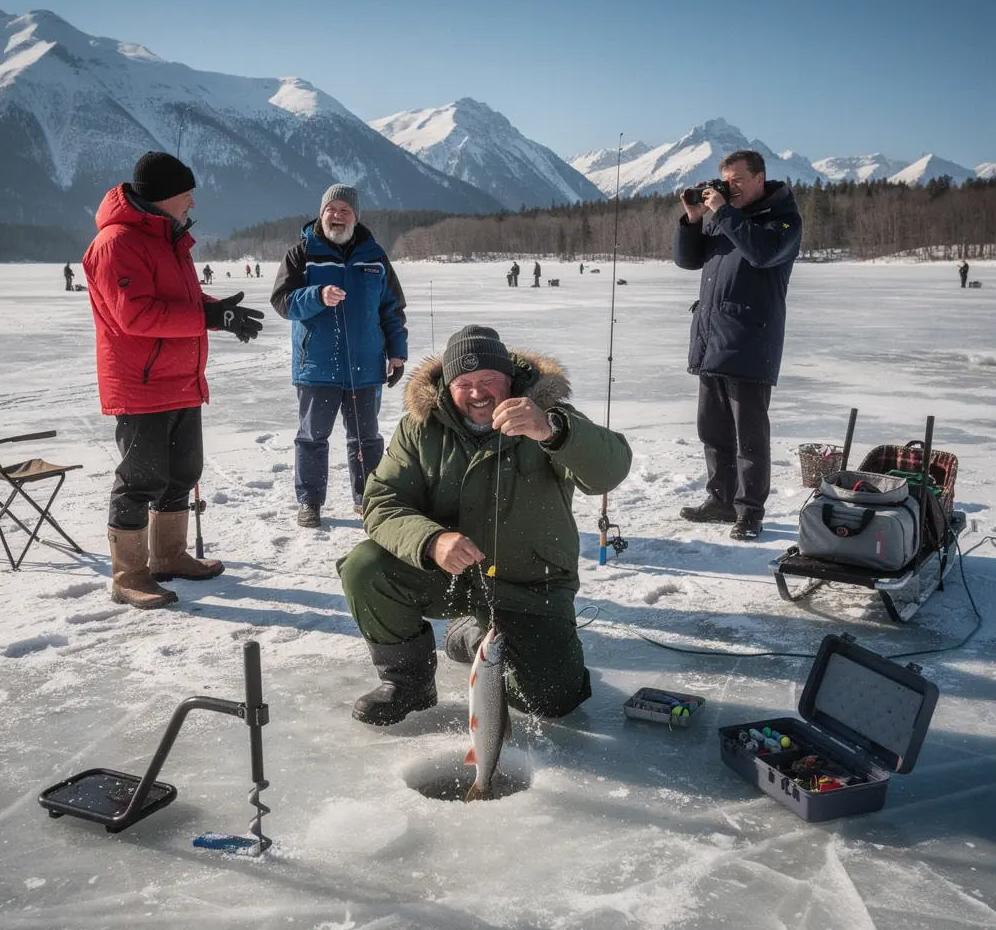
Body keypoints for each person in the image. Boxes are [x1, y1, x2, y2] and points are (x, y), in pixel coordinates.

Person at [338, 325, 633, 726]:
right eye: (465, 383)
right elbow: (381, 500)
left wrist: (552, 432)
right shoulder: (420, 428)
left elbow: (609, 472)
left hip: (531, 584)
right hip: (450, 576)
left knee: (551, 701)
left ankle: (475, 636)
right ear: (448, 384)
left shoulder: (546, 417)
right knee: (366, 568)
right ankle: (409, 684)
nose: (478, 393)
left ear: (509, 378)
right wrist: (431, 540)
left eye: (488, 380)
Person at [83, 151, 265, 609]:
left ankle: (168, 556)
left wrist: (219, 313)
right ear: (164, 197)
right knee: (141, 479)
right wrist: (204, 315)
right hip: (141, 384)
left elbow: (180, 298)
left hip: (181, 378)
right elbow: (135, 315)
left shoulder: (167, 238)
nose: (192, 205)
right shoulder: (116, 243)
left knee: (182, 473)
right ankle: (129, 575)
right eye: (187, 195)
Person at [673, 149, 802, 541]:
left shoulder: (783, 220)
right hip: (712, 337)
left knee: (749, 435)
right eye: (726, 180)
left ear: (760, 178)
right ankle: (720, 499)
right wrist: (694, 221)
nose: (730, 187)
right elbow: (687, 260)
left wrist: (724, 213)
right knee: (712, 429)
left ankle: (750, 512)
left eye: (738, 180)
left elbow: (761, 254)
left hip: (750, 339)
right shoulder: (724, 219)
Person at [271, 184, 407, 529]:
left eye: (345, 210)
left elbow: (392, 309)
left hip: (365, 366)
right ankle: (310, 502)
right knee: (312, 437)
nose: (337, 215)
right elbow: (282, 301)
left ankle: (368, 500)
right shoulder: (301, 253)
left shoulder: (374, 256)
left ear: (356, 216)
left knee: (367, 438)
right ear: (321, 213)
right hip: (317, 366)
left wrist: (397, 353)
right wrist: (316, 296)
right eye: (331, 209)